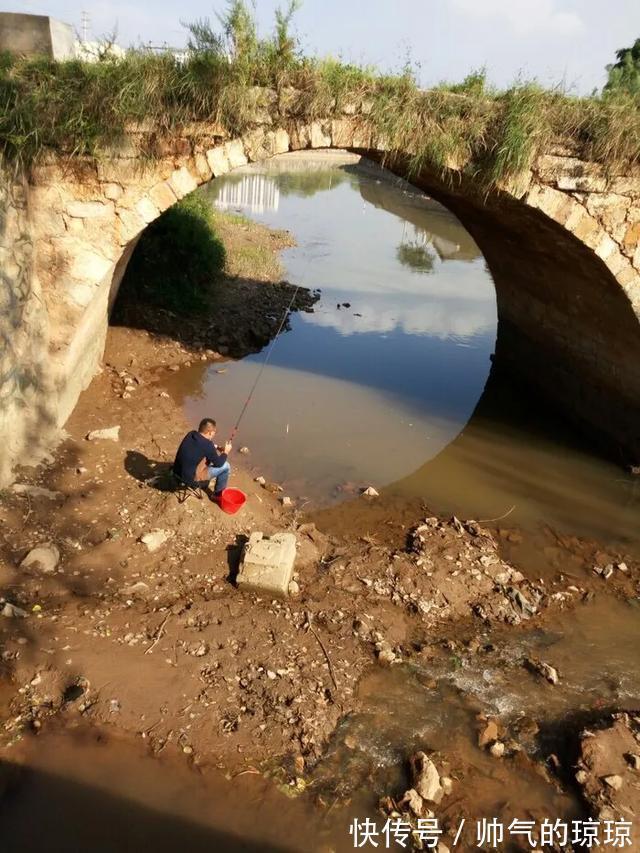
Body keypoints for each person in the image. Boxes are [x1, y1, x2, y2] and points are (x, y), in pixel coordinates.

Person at [173, 417, 232, 499]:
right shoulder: (208, 445)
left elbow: (203, 444)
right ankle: (217, 495)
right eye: (214, 432)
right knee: (226, 466)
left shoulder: (191, 434)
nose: (214, 434)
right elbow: (219, 463)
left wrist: (217, 447)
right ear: (210, 433)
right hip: (190, 480)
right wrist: (226, 452)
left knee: (207, 456)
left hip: (176, 472)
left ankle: (208, 485)